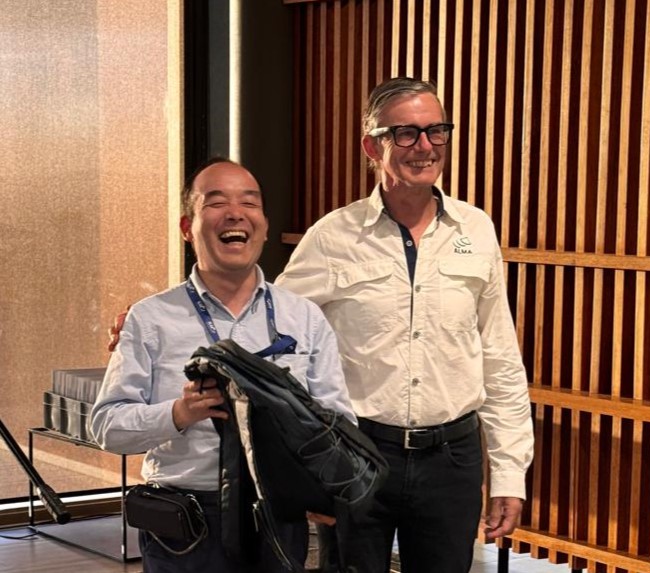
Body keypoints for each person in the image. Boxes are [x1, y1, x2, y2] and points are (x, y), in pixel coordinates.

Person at [275, 77, 534, 573]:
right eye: (406, 133)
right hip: (358, 454)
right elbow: (272, 329)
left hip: (453, 460)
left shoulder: (476, 229)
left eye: (436, 131)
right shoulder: (333, 236)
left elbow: (500, 357)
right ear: (372, 146)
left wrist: (508, 474)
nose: (425, 146)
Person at [90, 157, 356, 573]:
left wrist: (318, 481)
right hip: (186, 526)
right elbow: (107, 426)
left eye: (249, 202)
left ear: (264, 226)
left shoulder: (303, 317)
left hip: (279, 515)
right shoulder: (150, 318)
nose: (235, 213)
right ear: (187, 227)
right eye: (216, 202)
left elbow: (339, 419)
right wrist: (179, 413)